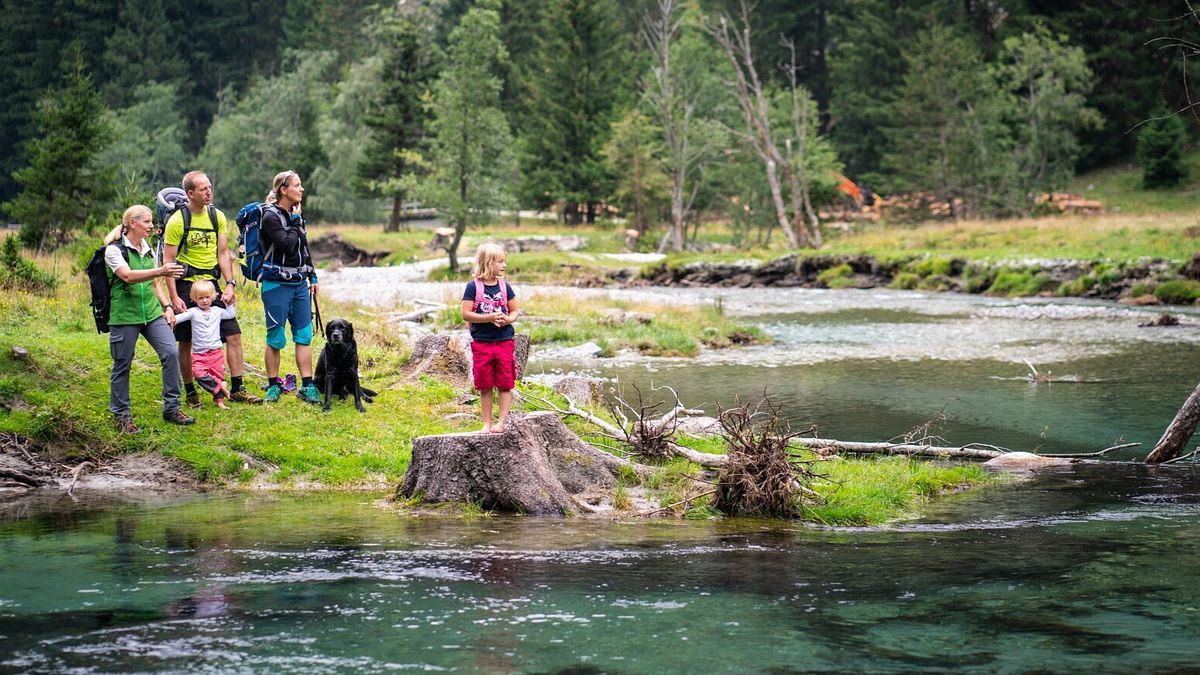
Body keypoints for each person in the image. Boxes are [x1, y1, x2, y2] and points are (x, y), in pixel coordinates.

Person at [162, 170, 262, 406]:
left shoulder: (217, 217)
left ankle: (237, 388)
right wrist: (173, 297)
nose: (209, 192)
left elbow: (222, 253)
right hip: (186, 284)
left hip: (212, 285)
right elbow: (168, 262)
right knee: (186, 341)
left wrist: (229, 284)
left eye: (210, 187)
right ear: (190, 193)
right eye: (203, 189)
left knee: (233, 333)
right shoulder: (178, 221)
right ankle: (190, 391)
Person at [105, 205, 195, 432]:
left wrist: (167, 306)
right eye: (146, 222)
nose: (151, 226)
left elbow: (154, 284)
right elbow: (127, 276)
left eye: (151, 221)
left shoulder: (147, 247)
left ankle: (172, 409)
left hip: (152, 313)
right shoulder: (114, 251)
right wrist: (162, 270)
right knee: (122, 364)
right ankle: (121, 416)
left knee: (171, 353)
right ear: (133, 223)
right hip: (125, 315)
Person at [259, 170, 321, 404]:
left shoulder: (297, 214)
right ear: (283, 190)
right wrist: (295, 221)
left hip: (299, 284)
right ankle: (273, 385)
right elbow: (286, 245)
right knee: (275, 337)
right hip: (276, 285)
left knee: (304, 335)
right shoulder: (270, 216)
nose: (301, 189)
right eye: (297, 185)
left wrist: (312, 276)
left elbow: (302, 248)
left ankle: (308, 385)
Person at [460, 243, 521, 433]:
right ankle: (486, 423)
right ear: (488, 263)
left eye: (505, 261)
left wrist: (507, 320)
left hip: (504, 342)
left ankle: (501, 422)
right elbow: (465, 314)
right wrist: (488, 318)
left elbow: (515, 311)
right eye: (500, 262)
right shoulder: (472, 287)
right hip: (482, 344)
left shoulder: (505, 287)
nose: (504, 265)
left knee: (505, 383)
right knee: (484, 385)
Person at [174, 280, 237, 409]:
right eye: (200, 298)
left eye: (207, 297)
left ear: (213, 296)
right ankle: (222, 388)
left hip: (216, 352)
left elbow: (230, 314)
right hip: (200, 353)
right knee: (198, 374)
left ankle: (220, 402)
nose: (204, 301)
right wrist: (170, 317)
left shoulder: (217, 311)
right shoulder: (193, 312)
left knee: (217, 376)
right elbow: (179, 318)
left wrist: (229, 304)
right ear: (194, 299)